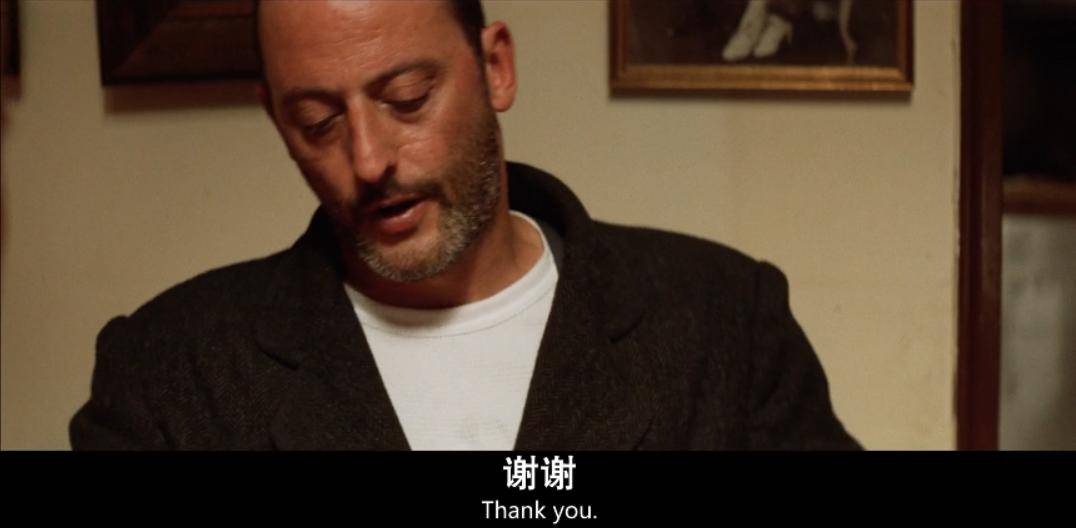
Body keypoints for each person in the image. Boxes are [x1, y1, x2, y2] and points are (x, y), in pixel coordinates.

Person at [70, 0, 860, 450]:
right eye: (317, 123)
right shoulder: (170, 372)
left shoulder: (724, 321)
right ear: (276, 121)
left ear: (496, 68)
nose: (369, 159)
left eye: (408, 99)